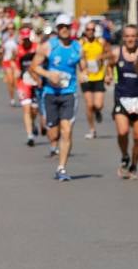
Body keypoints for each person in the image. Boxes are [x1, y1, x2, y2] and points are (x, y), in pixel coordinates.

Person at [32, 14, 84, 182]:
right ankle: (53, 142)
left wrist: (83, 74)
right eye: (61, 26)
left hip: (69, 93)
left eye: (67, 26)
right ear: (57, 28)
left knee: (67, 131)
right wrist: (48, 74)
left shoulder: (78, 47)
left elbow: (82, 68)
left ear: (71, 28)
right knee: (53, 133)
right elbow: (34, 66)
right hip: (50, 94)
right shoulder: (48, 46)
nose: (64, 29)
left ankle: (61, 168)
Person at [110, 24, 138, 179]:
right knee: (123, 131)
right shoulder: (116, 53)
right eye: (127, 36)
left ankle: (134, 165)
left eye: (133, 36)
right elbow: (108, 65)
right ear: (123, 38)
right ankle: (125, 155)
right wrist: (108, 75)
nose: (130, 39)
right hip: (122, 97)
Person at [79, 22, 108, 140]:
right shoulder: (80, 43)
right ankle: (92, 129)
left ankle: (98, 111)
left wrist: (101, 57)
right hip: (86, 77)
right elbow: (76, 58)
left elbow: (109, 54)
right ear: (85, 30)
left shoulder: (101, 42)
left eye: (92, 29)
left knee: (98, 105)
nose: (90, 31)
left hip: (99, 76)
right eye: (88, 29)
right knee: (89, 105)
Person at [14, 26, 41, 146]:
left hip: (35, 80)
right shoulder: (18, 50)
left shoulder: (36, 47)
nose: (25, 41)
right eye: (23, 39)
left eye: (27, 39)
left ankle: (33, 122)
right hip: (23, 81)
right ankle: (30, 136)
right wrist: (16, 70)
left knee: (34, 110)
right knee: (26, 109)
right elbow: (14, 62)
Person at [1, 23, 20, 106]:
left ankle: (20, 97)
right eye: (8, 28)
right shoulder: (5, 38)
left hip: (16, 62)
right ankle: (12, 99)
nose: (10, 30)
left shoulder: (17, 38)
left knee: (16, 82)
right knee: (10, 81)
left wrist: (16, 54)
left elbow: (21, 49)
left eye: (12, 28)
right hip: (7, 61)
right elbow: (2, 50)